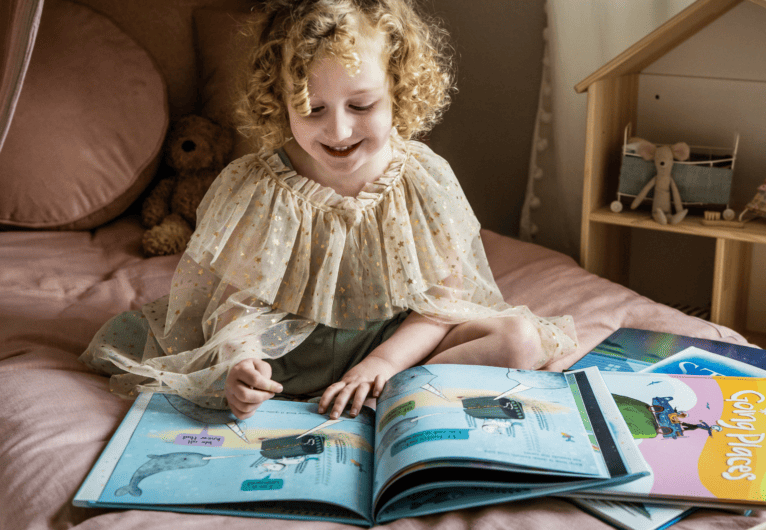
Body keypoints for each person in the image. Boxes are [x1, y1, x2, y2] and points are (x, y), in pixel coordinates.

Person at [80, 0, 577, 421]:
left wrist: (380, 364)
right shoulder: (260, 188)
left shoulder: (423, 178)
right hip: (290, 355)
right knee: (145, 348)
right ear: (280, 100)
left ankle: (389, 391)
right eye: (313, 109)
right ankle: (349, 394)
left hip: (397, 346)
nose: (338, 133)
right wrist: (243, 365)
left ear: (398, 91)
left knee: (520, 340)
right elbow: (236, 309)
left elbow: (438, 309)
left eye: (361, 106)